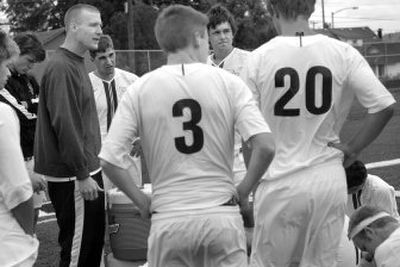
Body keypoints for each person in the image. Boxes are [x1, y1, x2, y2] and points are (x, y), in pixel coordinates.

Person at [99, 5, 275, 267]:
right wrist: (244, 190)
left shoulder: (140, 88)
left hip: (168, 219)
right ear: (198, 38)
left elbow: (109, 160)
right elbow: (266, 146)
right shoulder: (229, 83)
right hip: (220, 215)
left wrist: (142, 202)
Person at [241, 0, 396, 266]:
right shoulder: (342, 52)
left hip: (278, 182)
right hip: (327, 180)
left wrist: (252, 181)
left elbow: (248, 134)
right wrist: (353, 148)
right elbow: (383, 106)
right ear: (312, 9)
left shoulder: (257, 59)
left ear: (271, 11)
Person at [34, 4, 104, 267]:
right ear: (73, 27)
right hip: (74, 177)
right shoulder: (62, 67)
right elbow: (66, 126)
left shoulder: (75, 63)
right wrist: (82, 174)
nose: (100, 30)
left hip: (85, 172)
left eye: (100, 24)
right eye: (93, 24)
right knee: (78, 253)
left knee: (91, 248)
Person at [0, 30, 39, 267]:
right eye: (4, 64)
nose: (7, 72)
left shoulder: (30, 83)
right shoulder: (2, 115)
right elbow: (18, 190)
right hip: (8, 250)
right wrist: (28, 234)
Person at [89, 34, 140, 190]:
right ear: (92, 59)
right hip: (100, 155)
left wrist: (142, 136)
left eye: (111, 55)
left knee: (133, 203)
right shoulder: (86, 84)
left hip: (129, 152)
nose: (109, 62)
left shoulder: (132, 80)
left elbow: (148, 112)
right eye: (102, 58)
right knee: (104, 204)